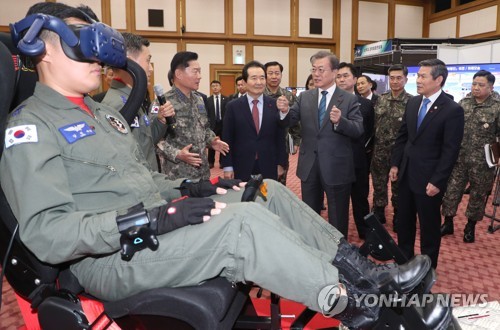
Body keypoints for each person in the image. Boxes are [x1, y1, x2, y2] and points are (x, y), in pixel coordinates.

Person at [1, 5, 448, 329]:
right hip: (113, 256)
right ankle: (358, 306)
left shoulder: (101, 115)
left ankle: (364, 272)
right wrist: (150, 217)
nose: (97, 57)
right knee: (242, 225)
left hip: (154, 228)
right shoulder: (31, 127)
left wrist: (187, 189)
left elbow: (142, 178)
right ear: (44, 48)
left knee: (264, 192)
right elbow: (47, 233)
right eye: (83, 42)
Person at [277, 51, 364, 237]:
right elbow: (289, 121)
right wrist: (284, 111)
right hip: (309, 166)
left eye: (321, 70)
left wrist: (341, 121)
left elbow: (358, 130)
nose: (316, 74)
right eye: (314, 69)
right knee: (310, 216)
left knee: (338, 217)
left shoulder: (349, 99)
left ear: (334, 72)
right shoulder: (305, 97)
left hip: (337, 167)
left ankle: (339, 254)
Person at [390, 59, 464, 269]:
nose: (418, 80)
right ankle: (405, 263)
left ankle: (427, 269)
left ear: (438, 79)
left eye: (423, 76)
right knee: (404, 222)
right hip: (406, 173)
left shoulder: (452, 110)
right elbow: (403, 137)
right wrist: (395, 164)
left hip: (429, 180)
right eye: (418, 75)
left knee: (429, 227)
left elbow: (450, 151)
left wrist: (437, 181)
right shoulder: (413, 103)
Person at [441, 70, 500, 243]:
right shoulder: (463, 103)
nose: (476, 88)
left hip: (483, 162)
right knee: (451, 192)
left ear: (490, 87)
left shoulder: (497, 106)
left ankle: (470, 227)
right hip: (459, 159)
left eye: (481, 85)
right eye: (474, 84)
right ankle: (448, 223)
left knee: (478, 196)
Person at [101, 33, 173, 172]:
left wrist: (161, 121)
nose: (151, 68)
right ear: (129, 62)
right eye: (148, 61)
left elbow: (146, 144)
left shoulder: (131, 98)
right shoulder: (116, 105)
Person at [157, 51, 229, 180]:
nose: (200, 76)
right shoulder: (163, 103)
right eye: (195, 71)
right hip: (178, 176)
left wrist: (212, 141)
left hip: (203, 173)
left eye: (200, 71)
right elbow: (154, 140)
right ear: (178, 74)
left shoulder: (199, 99)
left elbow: (204, 127)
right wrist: (178, 154)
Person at [221, 61, 287, 181]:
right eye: (254, 78)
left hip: (269, 164)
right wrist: (227, 166)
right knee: (244, 198)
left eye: (262, 78)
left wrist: (281, 163)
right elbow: (227, 138)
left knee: (269, 197)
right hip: (241, 164)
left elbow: (280, 137)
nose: (259, 82)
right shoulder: (233, 106)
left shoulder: (274, 104)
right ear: (245, 82)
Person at [371, 64, 412, 230]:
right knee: (379, 184)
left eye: (399, 78)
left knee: (399, 187)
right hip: (379, 151)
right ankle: (379, 212)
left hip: (400, 153)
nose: (395, 81)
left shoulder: (412, 101)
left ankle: (398, 215)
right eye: (392, 78)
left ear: (406, 79)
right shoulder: (381, 99)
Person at [336, 62, 374, 239]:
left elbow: (370, 132)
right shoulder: (330, 102)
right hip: (335, 159)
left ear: (355, 79)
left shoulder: (366, 104)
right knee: (337, 201)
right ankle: (337, 235)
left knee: (360, 199)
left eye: (346, 76)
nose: (342, 79)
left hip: (358, 159)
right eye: (339, 76)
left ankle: (365, 233)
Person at [263, 61, 301, 185]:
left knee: (280, 180)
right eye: (271, 73)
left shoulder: (289, 96)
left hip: (282, 144)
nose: (274, 76)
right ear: (265, 75)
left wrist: (296, 141)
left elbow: (296, 119)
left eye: (277, 73)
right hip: (262, 142)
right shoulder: (259, 94)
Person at [206, 80, 227, 168]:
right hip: (212, 125)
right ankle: (211, 161)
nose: (215, 87)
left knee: (223, 143)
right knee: (212, 142)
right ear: (211, 88)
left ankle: (222, 162)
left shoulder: (226, 99)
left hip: (223, 124)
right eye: (213, 86)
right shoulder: (208, 100)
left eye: (217, 85)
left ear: (220, 87)